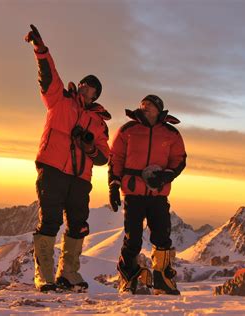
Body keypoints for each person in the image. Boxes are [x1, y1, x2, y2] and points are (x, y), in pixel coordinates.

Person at [24, 25, 111, 292]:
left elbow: (104, 156)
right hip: (52, 168)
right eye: (85, 86)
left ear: (96, 96)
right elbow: (48, 75)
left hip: (80, 178)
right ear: (80, 86)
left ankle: (69, 273)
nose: (87, 91)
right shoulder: (59, 99)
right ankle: (45, 275)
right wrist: (40, 49)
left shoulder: (98, 122)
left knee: (78, 225)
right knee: (50, 221)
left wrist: (88, 147)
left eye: (93, 90)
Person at [108, 94, 187, 295]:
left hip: (157, 193)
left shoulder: (171, 133)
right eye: (142, 104)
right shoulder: (127, 130)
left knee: (162, 236)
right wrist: (114, 185)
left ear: (159, 110)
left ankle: (162, 280)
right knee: (132, 238)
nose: (144, 107)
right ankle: (128, 279)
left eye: (149, 105)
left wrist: (166, 176)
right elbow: (116, 157)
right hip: (133, 192)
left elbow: (179, 159)